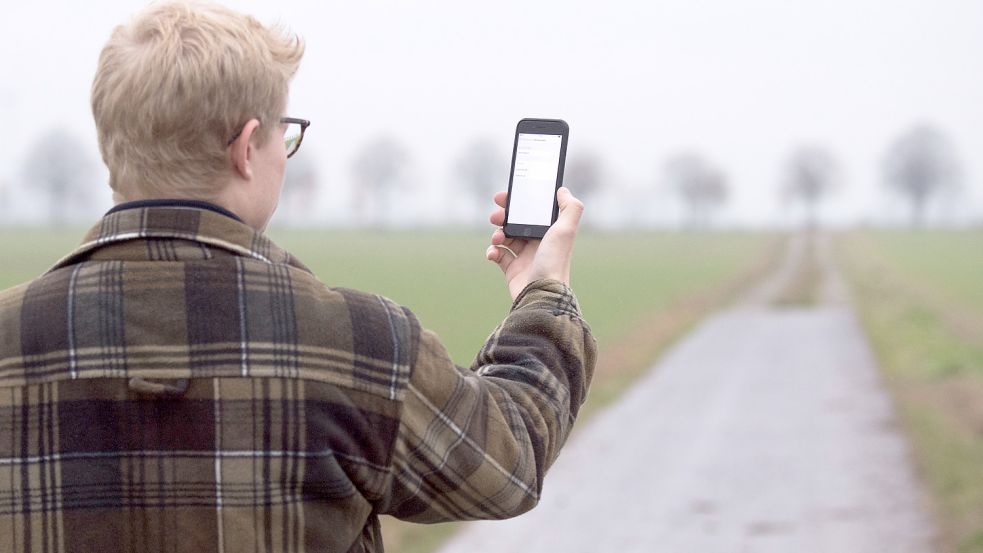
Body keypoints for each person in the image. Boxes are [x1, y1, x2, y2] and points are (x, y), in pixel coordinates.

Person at [0, 2, 595, 552]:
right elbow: (508, 462)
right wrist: (542, 293)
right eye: (285, 133)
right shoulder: (361, 343)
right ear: (246, 147)